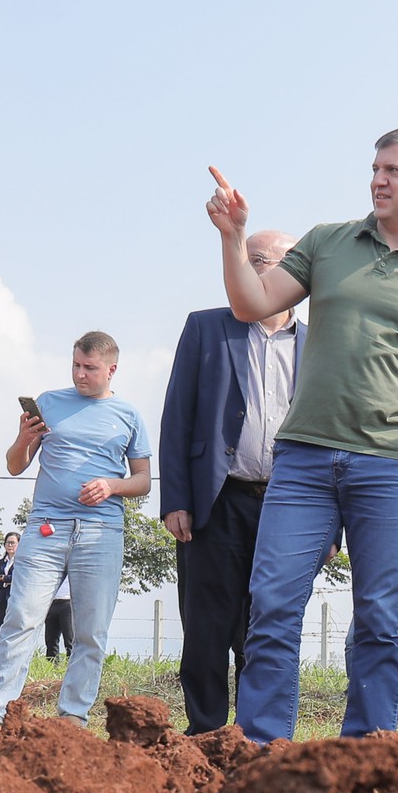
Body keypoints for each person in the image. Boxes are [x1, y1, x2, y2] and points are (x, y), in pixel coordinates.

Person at [205, 129, 398, 743]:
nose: (377, 180)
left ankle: (366, 756)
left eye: (391, 170)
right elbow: (253, 304)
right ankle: (261, 748)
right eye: (374, 168)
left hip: (390, 466)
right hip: (303, 459)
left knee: (380, 620)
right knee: (273, 606)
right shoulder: (330, 243)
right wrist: (233, 237)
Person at [158, 230, 306, 735]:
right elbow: (177, 416)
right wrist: (175, 498)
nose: (265, 270)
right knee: (206, 624)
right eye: (255, 260)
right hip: (215, 501)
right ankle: (204, 732)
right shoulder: (207, 328)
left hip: (289, 504)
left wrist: (331, 527)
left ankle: (256, 735)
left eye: (278, 262)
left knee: (267, 625)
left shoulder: (320, 344)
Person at [0, 333, 151, 735]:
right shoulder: (49, 402)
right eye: (75, 365)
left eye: (89, 368)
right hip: (46, 530)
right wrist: (24, 437)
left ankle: (71, 720)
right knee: (20, 619)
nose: (80, 374)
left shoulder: (129, 415)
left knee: (89, 632)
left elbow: (143, 481)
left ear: (111, 370)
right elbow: (15, 465)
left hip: (101, 532)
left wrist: (111, 485)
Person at [0, 531, 18, 632]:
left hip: (15, 598)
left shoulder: (22, 562)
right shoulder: (1, 562)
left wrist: (2, 578)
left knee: (13, 629)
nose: (10, 545)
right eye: (7, 542)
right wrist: (7, 580)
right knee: (0, 629)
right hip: (1, 599)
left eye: (12, 543)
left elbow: (18, 578)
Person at [44, 588, 73, 661]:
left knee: (69, 640)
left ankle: (72, 668)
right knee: (50, 641)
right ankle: (53, 669)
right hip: (51, 602)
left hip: (68, 602)